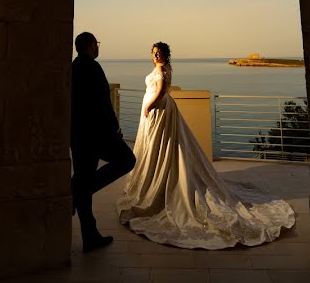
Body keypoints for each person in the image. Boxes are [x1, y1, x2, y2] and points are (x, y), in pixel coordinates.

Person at [117, 41, 295, 249]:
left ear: (166, 55)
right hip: (157, 112)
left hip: (159, 111)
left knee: (165, 147)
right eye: (153, 53)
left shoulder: (164, 70)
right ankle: (155, 178)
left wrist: (148, 106)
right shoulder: (161, 68)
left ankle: (161, 184)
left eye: (159, 53)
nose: (156, 56)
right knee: (158, 148)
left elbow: (161, 92)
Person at [70, 32, 135, 252]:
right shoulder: (92, 67)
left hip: (78, 135)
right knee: (127, 160)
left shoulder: (73, 68)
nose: (98, 48)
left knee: (82, 179)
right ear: (89, 45)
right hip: (97, 135)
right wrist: (114, 128)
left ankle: (90, 235)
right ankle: (77, 190)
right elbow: (102, 104)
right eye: (96, 44)